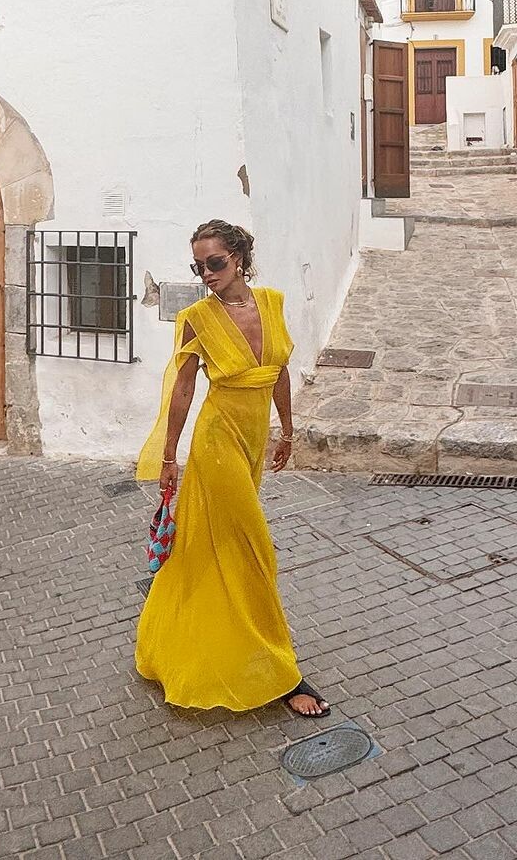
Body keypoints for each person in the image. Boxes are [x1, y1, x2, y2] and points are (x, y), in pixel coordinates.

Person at [134, 219, 330, 718]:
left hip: (252, 441)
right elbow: (182, 390)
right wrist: (169, 457)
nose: (206, 274)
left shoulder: (272, 303)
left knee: (218, 549)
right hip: (217, 443)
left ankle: (206, 636)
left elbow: (278, 372)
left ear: (239, 258)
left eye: (215, 263)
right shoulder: (197, 317)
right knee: (255, 547)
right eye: (198, 267)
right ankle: (284, 672)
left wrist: (287, 430)